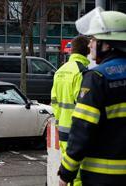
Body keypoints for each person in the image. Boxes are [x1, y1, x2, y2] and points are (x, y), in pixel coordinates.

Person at [58, 8, 126, 186]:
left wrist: (66, 173)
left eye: (94, 39)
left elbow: (82, 129)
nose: (89, 45)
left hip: (102, 177)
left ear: (107, 44)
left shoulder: (97, 78)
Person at [51, 35, 90, 185]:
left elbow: (54, 101)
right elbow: (83, 105)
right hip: (77, 131)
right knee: (78, 174)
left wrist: (60, 121)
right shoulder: (81, 71)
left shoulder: (60, 70)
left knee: (67, 169)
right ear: (87, 50)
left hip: (62, 129)